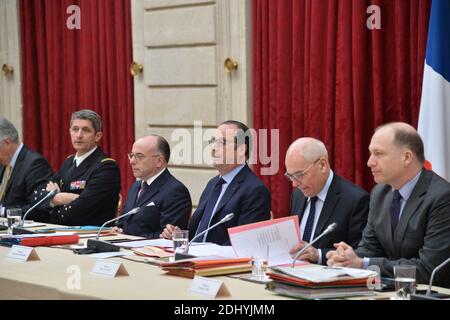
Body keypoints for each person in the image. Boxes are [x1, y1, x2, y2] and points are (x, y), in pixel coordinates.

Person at [326, 122, 450, 288]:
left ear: (406, 157)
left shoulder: (441, 197)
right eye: (371, 154)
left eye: (379, 154)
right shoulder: (380, 193)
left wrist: (363, 263)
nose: (370, 162)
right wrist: (347, 258)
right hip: (390, 291)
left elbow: (427, 269)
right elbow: (369, 249)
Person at [161, 120, 271, 245]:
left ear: (241, 150)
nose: (213, 148)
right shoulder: (213, 184)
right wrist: (179, 236)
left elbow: (245, 243)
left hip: (219, 262)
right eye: (213, 141)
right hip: (193, 257)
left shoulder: (255, 190)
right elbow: (200, 233)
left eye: (222, 142)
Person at [286, 138, 369, 265]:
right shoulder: (298, 195)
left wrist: (318, 255)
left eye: (299, 175)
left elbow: (359, 253)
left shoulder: (355, 200)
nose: (294, 183)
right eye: (290, 176)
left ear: (322, 165)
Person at [31, 109, 121, 226]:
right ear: (70, 132)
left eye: (85, 130)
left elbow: (80, 211)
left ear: (97, 136)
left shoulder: (106, 167)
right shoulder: (69, 162)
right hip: (64, 231)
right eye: (75, 129)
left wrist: (50, 205)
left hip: (91, 235)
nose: (79, 135)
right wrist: (59, 198)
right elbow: (37, 195)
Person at [114, 135, 192, 238]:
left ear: (159, 161)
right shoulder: (136, 186)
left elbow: (167, 236)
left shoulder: (175, 191)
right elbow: (124, 222)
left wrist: (127, 236)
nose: (132, 161)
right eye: (131, 155)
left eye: (140, 156)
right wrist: (118, 230)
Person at [0, 117, 53, 216]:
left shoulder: (35, 163)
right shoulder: (4, 163)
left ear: (7, 142)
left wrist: (2, 211)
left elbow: (39, 207)